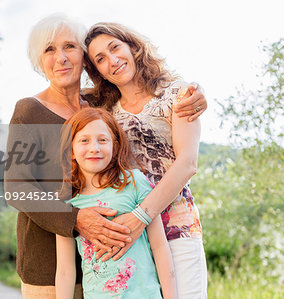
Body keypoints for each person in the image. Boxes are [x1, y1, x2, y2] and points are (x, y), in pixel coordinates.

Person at [4, 13, 206, 299]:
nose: (61, 57)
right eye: (49, 49)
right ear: (39, 60)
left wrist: (197, 94)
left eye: (69, 47)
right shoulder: (28, 111)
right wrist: (75, 219)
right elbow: (17, 188)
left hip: (120, 259)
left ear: (84, 59)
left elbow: (146, 94)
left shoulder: (103, 104)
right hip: (51, 264)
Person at [84, 22, 207, 298]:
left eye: (115, 47)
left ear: (132, 46)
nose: (112, 61)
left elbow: (188, 163)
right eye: (100, 59)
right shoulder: (104, 110)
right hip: (130, 237)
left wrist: (142, 215)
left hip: (177, 227)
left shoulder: (178, 94)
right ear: (96, 71)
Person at [56, 107, 176, 299]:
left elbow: (160, 247)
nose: (94, 147)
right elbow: (64, 270)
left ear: (115, 146)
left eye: (102, 140)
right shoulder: (68, 205)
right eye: (84, 140)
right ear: (70, 150)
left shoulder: (134, 182)